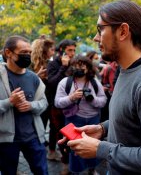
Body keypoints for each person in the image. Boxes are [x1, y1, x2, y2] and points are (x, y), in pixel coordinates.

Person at [59, 0, 141, 175]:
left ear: (123, 31)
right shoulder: (125, 69)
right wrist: (103, 129)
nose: (95, 37)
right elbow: (132, 117)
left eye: (100, 29)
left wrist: (101, 149)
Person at [0, 35, 48, 174]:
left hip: (33, 137)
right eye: (23, 53)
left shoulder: (33, 77)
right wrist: (9, 102)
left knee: (42, 171)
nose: (27, 56)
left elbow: (44, 102)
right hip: (6, 140)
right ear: (8, 53)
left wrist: (31, 106)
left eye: (29, 53)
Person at [55, 56, 107, 174]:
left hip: (93, 119)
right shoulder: (65, 82)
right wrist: (71, 98)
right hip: (73, 120)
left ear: (88, 68)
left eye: (82, 66)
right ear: (71, 67)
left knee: (94, 147)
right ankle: (75, 171)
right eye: (76, 66)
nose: (79, 68)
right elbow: (57, 102)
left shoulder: (94, 82)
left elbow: (103, 101)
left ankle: (92, 169)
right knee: (75, 149)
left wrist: (92, 99)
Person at [47, 39, 76, 174]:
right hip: (56, 105)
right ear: (61, 50)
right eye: (70, 50)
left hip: (71, 105)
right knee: (57, 130)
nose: (72, 53)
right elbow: (52, 83)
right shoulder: (53, 63)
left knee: (69, 131)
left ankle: (67, 158)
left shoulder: (74, 63)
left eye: (74, 50)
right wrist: (63, 67)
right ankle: (54, 152)